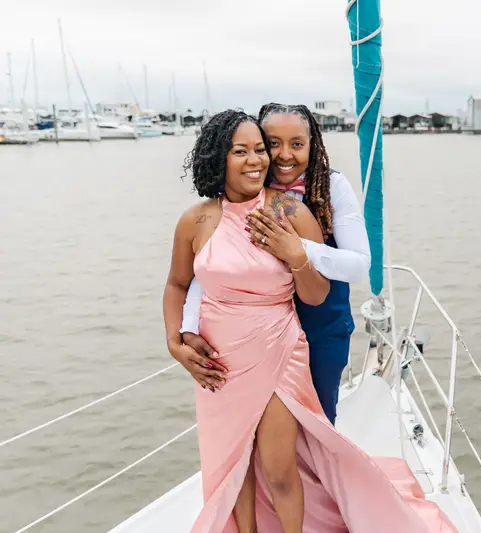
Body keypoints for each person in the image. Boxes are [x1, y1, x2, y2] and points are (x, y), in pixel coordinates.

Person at [163, 110, 456, 533]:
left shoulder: (292, 212)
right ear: (217, 158)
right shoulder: (196, 220)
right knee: (232, 467)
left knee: (279, 466)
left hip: (279, 351)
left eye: (258, 150)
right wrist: (176, 341)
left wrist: (298, 255)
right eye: (241, 151)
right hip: (219, 362)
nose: (256, 160)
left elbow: (316, 294)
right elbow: (177, 284)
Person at [177, 103, 368, 425]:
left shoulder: (331, 185)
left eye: (297, 144)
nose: (284, 155)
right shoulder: (240, 192)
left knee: (317, 422)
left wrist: (298, 249)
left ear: (313, 145)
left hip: (320, 325)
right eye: (272, 143)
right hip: (260, 333)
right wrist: (188, 327)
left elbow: (358, 266)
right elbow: (204, 268)